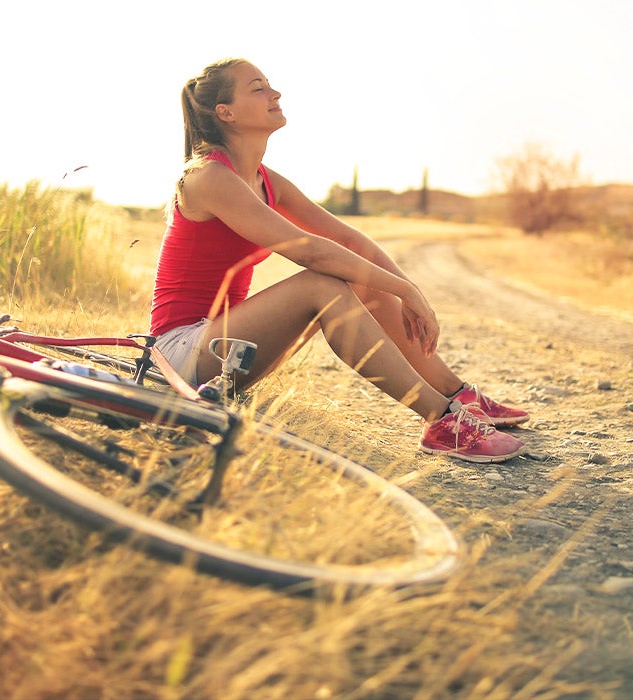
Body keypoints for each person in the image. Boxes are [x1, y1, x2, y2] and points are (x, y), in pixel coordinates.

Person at [149, 58, 528, 463]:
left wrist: (406, 290)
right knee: (322, 283)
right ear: (226, 113)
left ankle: (458, 396)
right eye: (258, 88)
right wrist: (403, 289)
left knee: (363, 278)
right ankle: (441, 420)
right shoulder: (207, 177)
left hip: (228, 350)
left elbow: (346, 238)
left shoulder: (264, 179)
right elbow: (309, 249)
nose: (274, 94)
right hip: (180, 353)